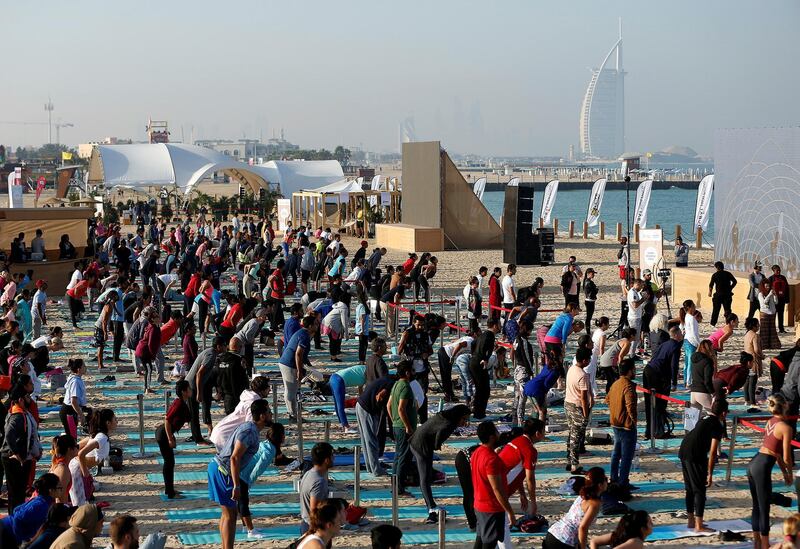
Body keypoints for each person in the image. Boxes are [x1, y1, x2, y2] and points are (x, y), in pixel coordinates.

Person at [207, 400, 271, 549]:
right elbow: (235, 458)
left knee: (227, 514)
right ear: (262, 416)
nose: (271, 414)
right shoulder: (249, 431)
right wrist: (236, 485)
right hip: (222, 471)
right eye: (269, 412)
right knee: (230, 515)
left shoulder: (249, 428)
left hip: (217, 468)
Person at [748, 394, 795, 549]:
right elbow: (787, 457)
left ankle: (757, 541)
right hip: (762, 466)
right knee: (764, 506)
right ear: (785, 406)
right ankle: (765, 544)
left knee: (757, 505)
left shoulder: (771, 421)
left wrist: (784, 472)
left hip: (755, 461)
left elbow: (776, 453)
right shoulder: (786, 427)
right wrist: (789, 473)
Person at [410, 405, 471, 523]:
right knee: (425, 478)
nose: (465, 422)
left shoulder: (445, 416)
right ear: (458, 417)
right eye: (464, 419)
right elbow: (439, 436)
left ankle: (431, 506)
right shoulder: (449, 424)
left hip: (418, 440)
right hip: (420, 445)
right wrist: (437, 446)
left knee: (426, 476)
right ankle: (431, 507)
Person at [678, 398, 728, 533]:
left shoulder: (705, 417)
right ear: (724, 413)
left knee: (689, 488)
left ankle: (691, 521)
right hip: (694, 454)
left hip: (684, 449)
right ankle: (698, 525)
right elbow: (713, 453)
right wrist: (710, 474)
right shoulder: (717, 425)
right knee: (700, 489)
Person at [471, 420, 516, 549]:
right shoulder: (491, 459)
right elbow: (497, 489)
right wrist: (510, 511)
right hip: (491, 508)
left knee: (480, 540)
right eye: (497, 431)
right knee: (489, 543)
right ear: (492, 437)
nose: (499, 434)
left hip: (479, 505)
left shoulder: (477, 452)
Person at [543, 467, 608, 549]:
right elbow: (583, 527)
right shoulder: (594, 503)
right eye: (606, 479)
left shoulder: (583, 495)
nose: (607, 482)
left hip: (553, 533)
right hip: (564, 540)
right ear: (600, 485)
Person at [1, 384, 41, 513]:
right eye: (27, 396)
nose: (30, 399)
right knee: (15, 494)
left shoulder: (23, 413)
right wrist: (16, 453)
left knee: (20, 492)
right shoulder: (17, 416)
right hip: (14, 459)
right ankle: (14, 521)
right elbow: (8, 434)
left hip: (23, 457)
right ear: (20, 400)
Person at [70, 409, 117, 507]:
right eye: (115, 419)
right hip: (77, 468)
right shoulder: (101, 437)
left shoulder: (99, 435)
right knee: (78, 504)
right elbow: (81, 453)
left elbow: (78, 447)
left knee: (82, 500)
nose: (117, 421)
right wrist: (85, 474)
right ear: (108, 423)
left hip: (78, 466)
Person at [210, 376, 272, 451]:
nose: (270, 389)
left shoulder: (249, 397)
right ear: (262, 390)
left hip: (223, 430)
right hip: (226, 434)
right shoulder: (253, 403)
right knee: (231, 460)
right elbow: (249, 425)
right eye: (268, 387)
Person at [498, 418, 545, 515]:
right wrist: (533, 504)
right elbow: (530, 479)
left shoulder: (517, 440)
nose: (545, 434)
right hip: (499, 490)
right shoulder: (529, 450)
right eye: (543, 431)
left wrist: (522, 493)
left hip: (492, 484)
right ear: (537, 433)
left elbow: (516, 467)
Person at [643, 327, 683, 439]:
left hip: (648, 370)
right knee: (659, 404)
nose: (682, 334)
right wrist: (674, 382)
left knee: (649, 404)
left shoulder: (665, 344)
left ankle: (649, 430)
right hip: (656, 374)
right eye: (680, 333)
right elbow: (674, 366)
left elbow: (655, 355)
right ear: (676, 335)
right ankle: (659, 431)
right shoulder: (675, 346)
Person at [0, 473, 59, 548]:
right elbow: (18, 518)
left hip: (6, 528)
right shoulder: (41, 505)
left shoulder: (41, 500)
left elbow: (16, 509)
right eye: (60, 488)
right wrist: (22, 538)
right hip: (7, 531)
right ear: (51, 490)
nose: (62, 490)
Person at [157, 379, 192, 500]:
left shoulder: (183, 402)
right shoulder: (178, 403)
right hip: (163, 434)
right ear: (184, 392)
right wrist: (170, 438)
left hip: (166, 434)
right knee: (169, 463)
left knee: (170, 463)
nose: (191, 390)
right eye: (189, 389)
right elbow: (167, 420)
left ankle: (170, 489)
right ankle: (170, 492)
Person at [187, 337, 225, 445]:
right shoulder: (211, 355)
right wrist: (199, 392)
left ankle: (196, 436)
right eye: (224, 345)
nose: (225, 347)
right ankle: (198, 439)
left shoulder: (209, 352)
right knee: (193, 414)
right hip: (192, 386)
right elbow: (199, 373)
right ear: (218, 346)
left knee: (192, 413)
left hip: (192, 384)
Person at [607, 358, 637, 494]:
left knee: (616, 453)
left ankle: (614, 479)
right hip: (626, 425)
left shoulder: (615, 384)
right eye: (634, 369)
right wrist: (633, 420)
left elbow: (607, 399)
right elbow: (630, 405)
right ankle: (623, 482)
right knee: (626, 457)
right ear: (630, 371)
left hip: (615, 423)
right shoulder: (628, 386)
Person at [388, 360, 417, 496]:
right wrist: (407, 426)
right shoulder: (405, 386)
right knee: (404, 457)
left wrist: (394, 420)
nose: (414, 373)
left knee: (398, 456)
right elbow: (401, 409)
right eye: (412, 371)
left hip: (397, 426)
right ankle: (399, 488)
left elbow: (389, 405)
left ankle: (395, 485)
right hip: (403, 428)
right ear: (407, 372)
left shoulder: (396, 384)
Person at [278, 316, 316, 420]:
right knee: (291, 390)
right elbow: (298, 354)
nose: (317, 326)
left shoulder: (303, 333)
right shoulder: (304, 335)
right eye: (316, 324)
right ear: (310, 325)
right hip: (289, 364)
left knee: (291, 390)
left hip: (286, 362)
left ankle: (293, 412)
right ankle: (293, 415)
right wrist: (299, 371)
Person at [356, 376, 394, 476]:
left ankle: (370, 467)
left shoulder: (388, 380)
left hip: (361, 404)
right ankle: (376, 469)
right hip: (367, 408)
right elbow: (379, 397)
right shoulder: (392, 384)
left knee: (366, 440)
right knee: (371, 440)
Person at [565, 347, 593, 474]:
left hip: (568, 404)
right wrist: (586, 415)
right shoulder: (582, 375)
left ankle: (569, 461)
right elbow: (583, 398)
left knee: (571, 434)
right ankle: (574, 466)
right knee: (576, 437)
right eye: (589, 359)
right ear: (584, 360)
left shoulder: (571, 369)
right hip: (577, 406)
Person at [299, 442, 334, 534]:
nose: (334, 459)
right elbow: (314, 510)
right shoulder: (319, 481)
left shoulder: (308, 473)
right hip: (313, 528)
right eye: (332, 456)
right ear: (326, 460)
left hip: (305, 523)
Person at [470, 319, 500, 419]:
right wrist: (484, 358)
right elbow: (483, 347)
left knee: (480, 389)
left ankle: (477, 411)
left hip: (474, 361)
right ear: (495, 325)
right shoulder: (489, 335)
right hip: (479, 363)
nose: (500, 326)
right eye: (499, 324)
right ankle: (479, 413)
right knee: (484, 390)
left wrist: (475, 354)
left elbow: (473, 344)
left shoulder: (483, 334)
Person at [216, 337, 249, 414]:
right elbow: (243, 378)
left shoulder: (220, 359)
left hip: (225, 393)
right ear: (238, 347)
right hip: (237, 394)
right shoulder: (239, 360)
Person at [330, 364, 366, 433]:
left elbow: (360, 388)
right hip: (338, 380)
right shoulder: (368, 372)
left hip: (334, 377)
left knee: (337, 404)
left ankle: (342, 424)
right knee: (340, 405)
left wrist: (361, 398)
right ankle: (346, 427)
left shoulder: (363, 370)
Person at [544, 303, 580, 371]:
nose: (579, 310)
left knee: (551, 360)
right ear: (572, 310)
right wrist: (563, 344)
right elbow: (564, 331)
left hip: (548, 338)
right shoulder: (569, 318)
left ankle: (553, 377)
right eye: (577, 309)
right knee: (558, 360)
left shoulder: (563, 315)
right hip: (554, 340)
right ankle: (559, 377)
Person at [512, 319, 535, 425]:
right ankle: (520, 420)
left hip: (517, 369)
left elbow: (512, 353)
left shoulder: (516, 339)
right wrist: (530, 371)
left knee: (517, 395)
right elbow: (527, 357)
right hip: (523, 370)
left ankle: (515, 418)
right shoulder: (523, 341)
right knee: (522, 397)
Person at [60, 359, 87, 439]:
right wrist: (81, 415)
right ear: (79, 369)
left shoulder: (74, 377)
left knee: (72, 436)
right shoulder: (75, 381)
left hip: (70, 410)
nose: (85, 368)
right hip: (68, 412)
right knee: (72, 438)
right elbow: (73, 401)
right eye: (84, 366)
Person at [679, 299, 702, 388]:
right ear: (689, 307)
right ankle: (688, 382)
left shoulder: (687, 316)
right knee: (690, 363)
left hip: (687, 340)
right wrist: (699, 343)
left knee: (687, 362)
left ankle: (686, 381)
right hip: (691, 341)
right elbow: (694, 333)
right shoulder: (691, 318)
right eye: (693, 305)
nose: (694, 307)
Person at [690, 340, 716, 412]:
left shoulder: (694, 359)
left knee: (693, 419)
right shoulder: (708, 362)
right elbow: (707, 380)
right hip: (702, 391)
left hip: (693, 391)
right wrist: (713, 392)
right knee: (713, 414)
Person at [708, 261, 737, 326]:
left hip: (718, 295)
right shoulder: (728, 273)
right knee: (727, 310)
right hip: (727, 294)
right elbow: (735, 281)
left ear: (717, 267)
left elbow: (711, 285)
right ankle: (728, 323)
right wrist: (730, 288)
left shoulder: (715, 275)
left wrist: (710, 292)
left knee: (716, 310)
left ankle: (713, 323)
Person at [745, 317, 765, 407]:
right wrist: (762, 356)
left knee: (747, 382)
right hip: (753, 361)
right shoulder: (755, 335)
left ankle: (747, 400)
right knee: (752, 383)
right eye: (758, 325)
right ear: (754, 326)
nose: (759, 326)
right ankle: (752, 402)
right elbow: (756, 349)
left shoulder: (747, 334)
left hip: (746, 361)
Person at [759, 279, 781, 350]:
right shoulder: (760, 294)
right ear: (763, 286)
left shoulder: (771, 293)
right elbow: (764, 303)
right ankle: (763, 345)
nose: (768, 287)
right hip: (764, 313)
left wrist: (775, 295)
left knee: (772, 330)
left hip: (772, 313)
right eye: (766, 286)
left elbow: (776, 302)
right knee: (764, 330)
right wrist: (769, 295)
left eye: (769, 286)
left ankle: (773, 345)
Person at [770, 264, 791, 333]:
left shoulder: (783, 277)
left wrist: (787, 300)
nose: (779, 271)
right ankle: (773, 329)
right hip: (774, 300)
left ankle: (781, 329)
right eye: (777, 270)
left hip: (782, 299)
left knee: (781, 314)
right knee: (773, 314)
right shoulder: (771, 278)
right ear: (773, 271)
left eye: (779, 270)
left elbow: (787, 289)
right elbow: (768, 289)